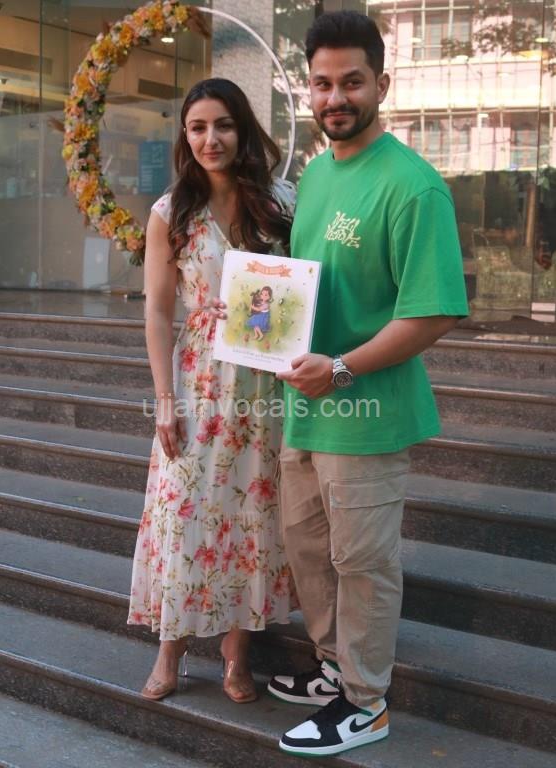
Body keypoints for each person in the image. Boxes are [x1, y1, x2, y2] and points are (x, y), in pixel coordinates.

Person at [267, 11, 469, 757]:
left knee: (362, 565)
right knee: (310, 553)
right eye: (321, 84)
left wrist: (343, 367)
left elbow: (432, 313)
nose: (335, 97)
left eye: (351, 82)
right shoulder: (318, 173)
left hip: (366, 410)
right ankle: (333, 667)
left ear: (381, 84)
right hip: (305, 406)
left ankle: (365, 701)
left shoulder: (413, 187)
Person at [128, 77, 296, 704]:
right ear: (185, 136)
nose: (210, 138)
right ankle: (169, 649)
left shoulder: (282, 200)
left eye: (222, 124)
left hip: (265, 378)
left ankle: (236, 655)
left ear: (242, 128)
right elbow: (157, 312)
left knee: (253, 513)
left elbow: (302, 283)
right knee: (184, 510)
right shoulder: (170, 212)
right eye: (197, 127)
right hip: (198, 379)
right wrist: (163, 399)